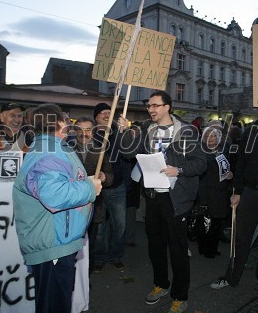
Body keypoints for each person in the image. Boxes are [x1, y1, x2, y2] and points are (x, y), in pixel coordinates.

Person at [117, 91, 206, 313]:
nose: (151, 109)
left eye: (155, 105)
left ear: (167, 107)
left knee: (178, 250)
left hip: (176, 199)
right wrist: (124, 133)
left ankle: (179, 295)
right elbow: (128, 154)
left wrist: (180, 169)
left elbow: (201, 163)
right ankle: (161, 284)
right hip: (152, 197)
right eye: (149, 106)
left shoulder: (187, 131)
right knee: (155, 246)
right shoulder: (147, 128)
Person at [12, 103, 102, 313]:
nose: (69, 123)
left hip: (56, 238)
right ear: (59, 122)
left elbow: (57, 184)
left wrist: (83, 181)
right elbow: (54, 196)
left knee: (54, 303)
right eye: (65, 119)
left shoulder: (49, 148)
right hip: (53, 241)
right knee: (54, 306)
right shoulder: (49, 152)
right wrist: (89, 188)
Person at [210, 107, 258, 296]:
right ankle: (231, 277)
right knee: (241, 238)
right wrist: (237, 191)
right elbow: (241, 162)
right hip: (250, 193)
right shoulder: (251, 131)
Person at [73, 116, 114, 275]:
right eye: (80, 129)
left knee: (90, 244)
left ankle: (85, 279)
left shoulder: (101, 151)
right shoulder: (66, 150)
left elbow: (111, 176)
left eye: (88, 129)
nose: (84, 133)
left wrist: (105, 177)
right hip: (72, 206)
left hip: (93, 206)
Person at [92, 102, 128, 273]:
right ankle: (99, 258)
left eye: (109, 112)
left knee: (119, 225)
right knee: (99, 227)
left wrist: (124, 132)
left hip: (117, 187)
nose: (107, 115)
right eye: (103, 113)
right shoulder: (88, 135)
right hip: (97, 188)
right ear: (95, 117)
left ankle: (115, 256)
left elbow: (129, 152)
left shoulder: (118, 132)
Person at [195, 126, 232, 258]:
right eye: (207, 136)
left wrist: (230, 175)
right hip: (206, 191)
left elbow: (227, 168)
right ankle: (205, 248)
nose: (210, 138)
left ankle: (212, 247)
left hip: (220, 191)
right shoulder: (200, 152)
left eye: (213, 136)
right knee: (205, 222)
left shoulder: (223, 151)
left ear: (218, 138)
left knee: (216, 222)